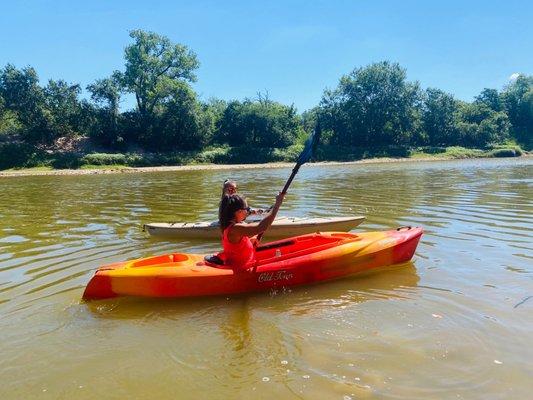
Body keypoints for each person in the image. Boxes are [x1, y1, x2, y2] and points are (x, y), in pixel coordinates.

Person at [218, 192, 285, 270]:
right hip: (240, 269)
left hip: (245, 263)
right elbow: (261, 227)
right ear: (239, 212)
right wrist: (277, 204)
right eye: (247, 209)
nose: (248, 211)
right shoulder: (235, 229)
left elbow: (235, 247)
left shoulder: (231, 226)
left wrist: (249, 241)